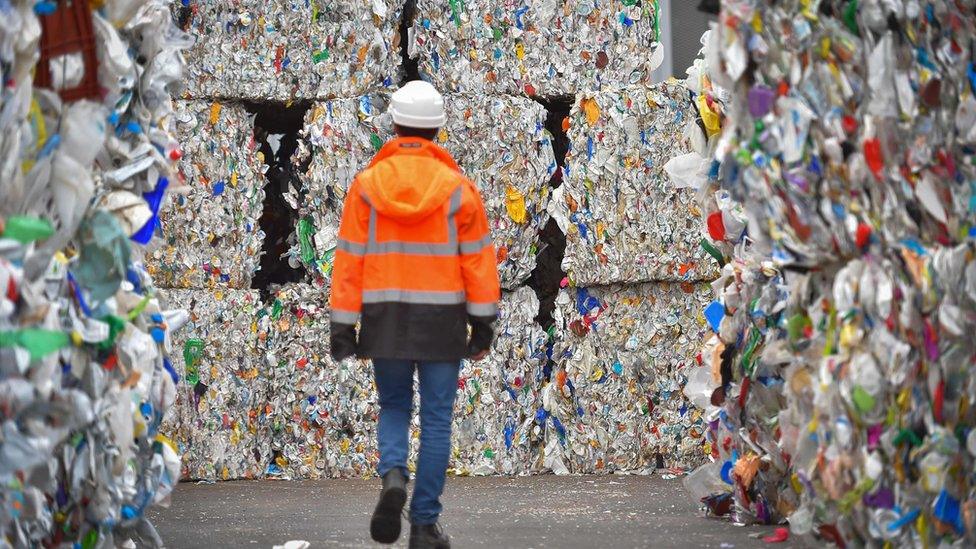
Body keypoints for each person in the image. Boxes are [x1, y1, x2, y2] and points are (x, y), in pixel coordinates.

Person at [328, 80, 501, 549]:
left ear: (395, 124)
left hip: (385, 319)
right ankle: (424, 526)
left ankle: (393, 478)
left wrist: (343, 323)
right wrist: (483, 322)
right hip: (442, 320)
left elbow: (349, 260)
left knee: (395, 407)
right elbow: (478, 262)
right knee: (437, 420)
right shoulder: (458, 190)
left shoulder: (366, 187)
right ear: (438, 129)